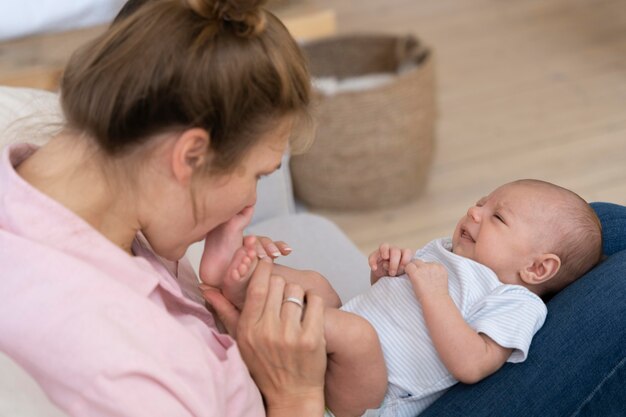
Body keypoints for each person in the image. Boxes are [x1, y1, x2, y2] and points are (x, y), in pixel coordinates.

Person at [0, 1, 330, 416]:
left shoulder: (97, 196)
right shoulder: (125, 370)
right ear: (190, 155)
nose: (250, 202)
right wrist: (295, 395)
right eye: (259, 174)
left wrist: (213, 300)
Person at [202, 179, 603, 417]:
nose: (474, 212)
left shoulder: (517, 301)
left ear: (537, 269)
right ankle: (242, 281)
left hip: (373, 399)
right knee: (319, 285)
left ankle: (261, 315)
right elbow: (392, 314)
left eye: (497, 217)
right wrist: (384, 276)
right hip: (341, 353)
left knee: (356, 335)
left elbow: (473, 363)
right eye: (482, 202)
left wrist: (434, 294)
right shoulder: (449, 250)